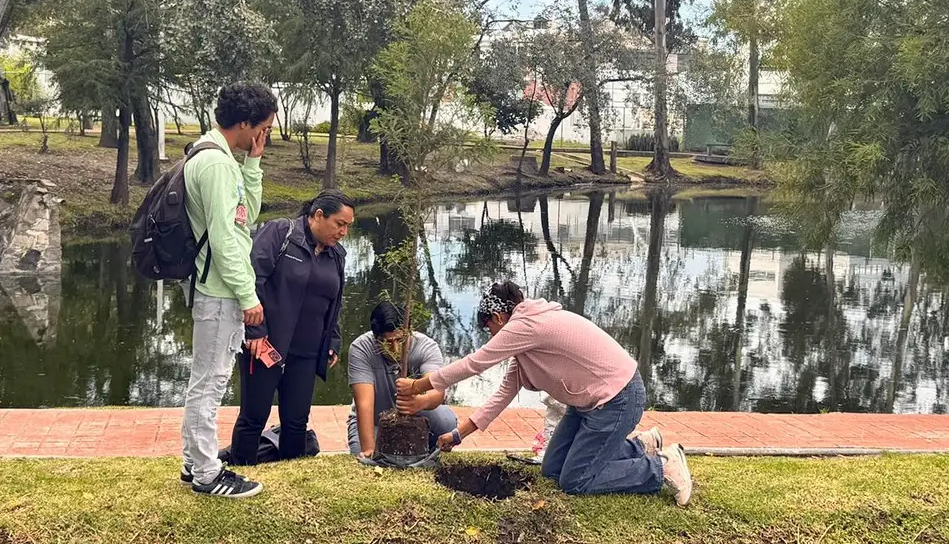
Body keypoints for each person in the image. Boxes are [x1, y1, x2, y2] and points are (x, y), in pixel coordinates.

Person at [397, 281, 694, 505]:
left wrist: (420, 385)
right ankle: (642, 446)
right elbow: (502, 394)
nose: (491, 337)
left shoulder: (526, 325)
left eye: (489, 329)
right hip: (588, 406)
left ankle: (661, 467)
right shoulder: (525, 342)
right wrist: (458, 435)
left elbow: (476, 363)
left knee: (575, 480)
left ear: (499, 317)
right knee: (553, 469)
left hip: (618, 399)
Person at [180, 82, 276, 499]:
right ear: (244, 123)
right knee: (210, 382)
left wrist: (254, 163)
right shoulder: (216, 165)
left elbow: (245, 216)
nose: (265, 135)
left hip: (218, 288)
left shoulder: (220, 157)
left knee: (207, 379)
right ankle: (206, 474)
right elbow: (225, 240)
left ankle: (193, 461)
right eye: (264, 128)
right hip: (219, 291)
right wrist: (248, 295)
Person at [228, 190, 354, 466]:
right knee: (253, 416)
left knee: (296, 420)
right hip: (266, 345)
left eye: (347, 226)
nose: (343, 232)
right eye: (339, 224)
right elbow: (252, 281)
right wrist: (254, 332)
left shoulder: (336, 255)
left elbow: (335, 301)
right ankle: (240, 469)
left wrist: (332, 340)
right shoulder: (280, 233)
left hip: (307, 351)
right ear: (318, 216)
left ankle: (293, 475)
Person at [348, 302, 458, 461]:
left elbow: (437, 391)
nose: (395, 349)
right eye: (387, 342)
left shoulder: (426, 347)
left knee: (445, 421)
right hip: (376, 421)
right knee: (364, 453)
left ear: (410, 332)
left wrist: (420, 401)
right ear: (376, 337)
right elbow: (364, 403)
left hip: (417, 417)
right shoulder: (361, 348)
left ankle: (426, 453)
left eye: (400, 340)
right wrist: (369, 450)